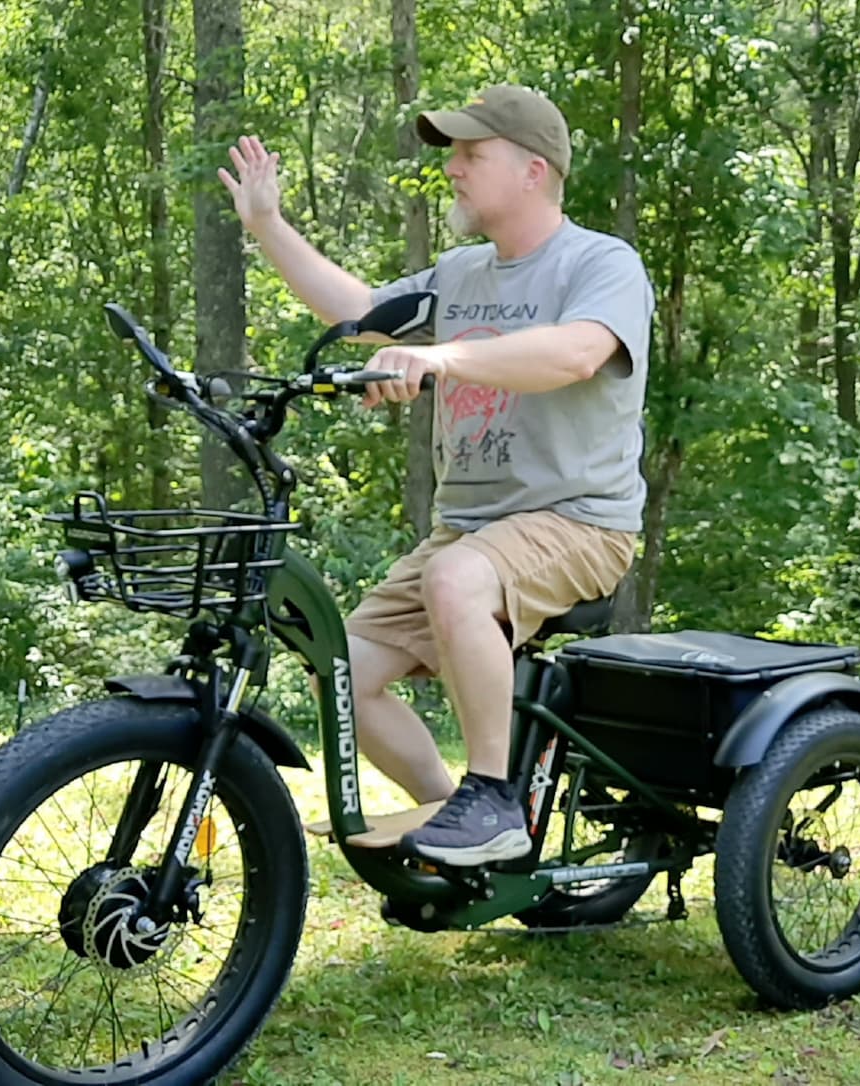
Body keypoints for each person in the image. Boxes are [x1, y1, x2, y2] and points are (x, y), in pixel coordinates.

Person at [218, 84, 654, 865]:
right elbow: (356, 312)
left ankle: (494, 802)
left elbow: (576, 353)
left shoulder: (599, 263)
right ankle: (448, 819)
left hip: (579, 522)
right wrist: (268, 225)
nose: (452, 168)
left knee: (455, 577)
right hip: (473, 531)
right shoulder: (459, 277)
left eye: (470, 153)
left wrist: (438, 356)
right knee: (343, 675)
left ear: (532, 169)